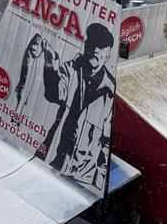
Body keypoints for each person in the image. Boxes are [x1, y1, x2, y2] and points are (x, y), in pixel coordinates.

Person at [41, 23, 116, 192]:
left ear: (108, 54)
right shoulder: (70, 69)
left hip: (84, 178)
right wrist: (50, 63)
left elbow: (106, 143)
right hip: (55, 161)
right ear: (86, 45)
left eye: (101, 46)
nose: (96, 49)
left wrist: (97, 181)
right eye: (93, 43)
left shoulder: (111, 91)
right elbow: (53, 93)